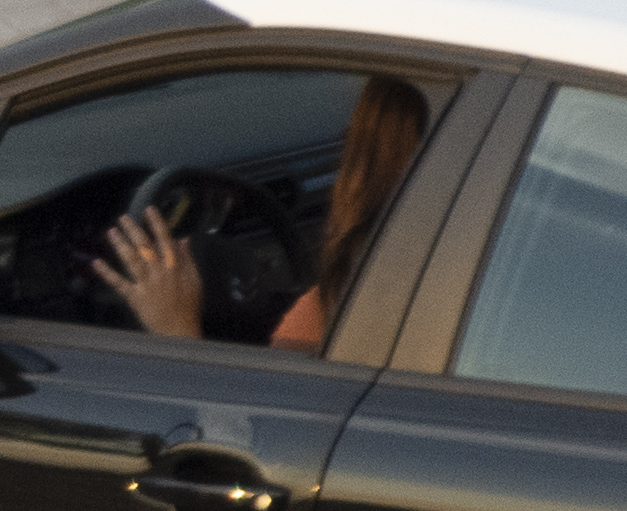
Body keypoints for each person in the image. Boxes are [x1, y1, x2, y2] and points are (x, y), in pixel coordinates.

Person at [97, 77, 430, 348]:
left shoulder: (338, 314)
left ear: (366, 171)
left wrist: (176, 327)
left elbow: (256, 428)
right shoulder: (438, 276)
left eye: (352, 145)